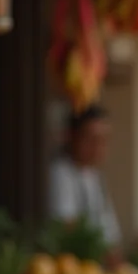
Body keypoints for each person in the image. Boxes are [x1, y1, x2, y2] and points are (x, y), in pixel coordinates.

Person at [48, 105, 122, 262]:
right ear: (72, 136)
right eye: (91, 139)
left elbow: (109, 231)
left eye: (103, 140)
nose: (98, 147)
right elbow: (67, 226)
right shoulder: (60, 173)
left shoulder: (95, 176)